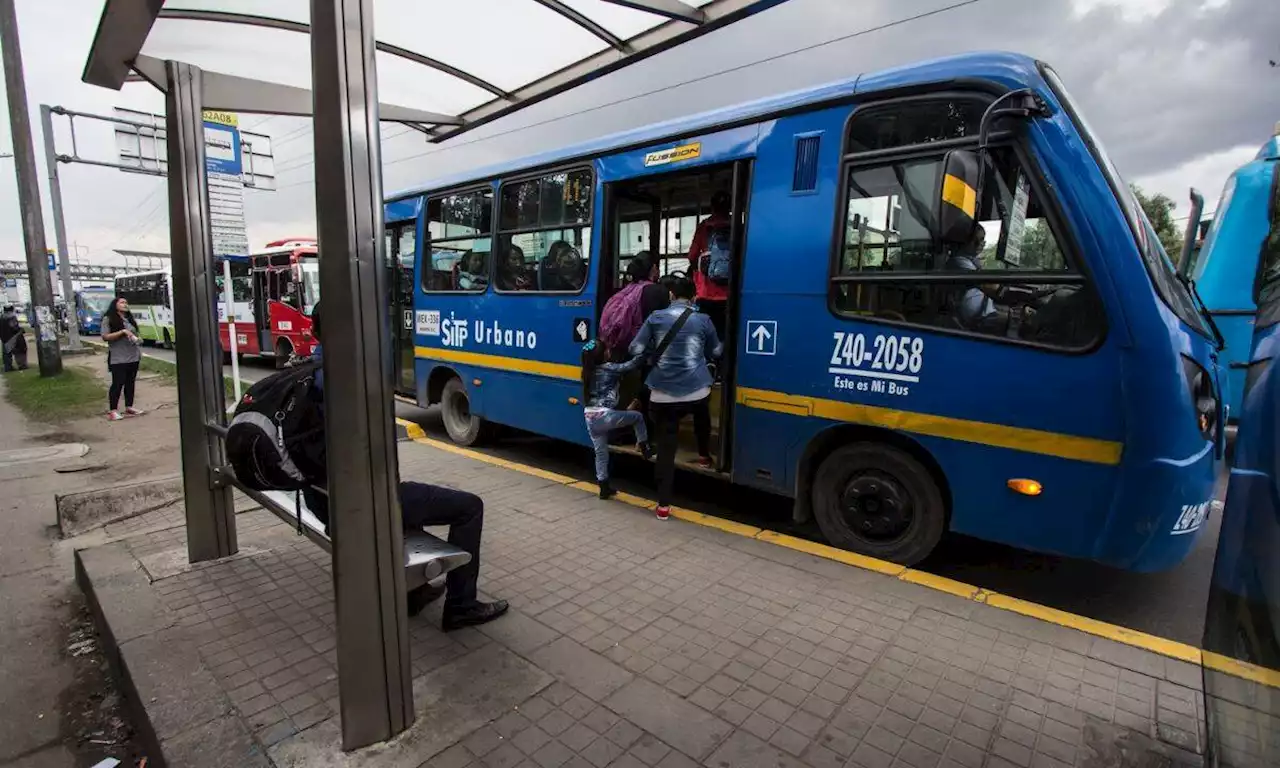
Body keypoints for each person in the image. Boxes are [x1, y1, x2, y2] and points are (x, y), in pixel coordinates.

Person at [304, 303, 508, 630]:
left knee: (414, 505)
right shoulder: (346, 378)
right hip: (358, 505)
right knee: (469, 507)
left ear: (313, 332)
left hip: (320, 501)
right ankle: (461, 606)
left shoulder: (307, 369)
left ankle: (414, 594)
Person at [629, 277, 722, 520]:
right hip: (696, 390)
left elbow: (635, 349)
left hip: (662, 393)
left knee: (667, 449)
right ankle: (703, 455)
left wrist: (653, 352)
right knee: (702, 407)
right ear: (693, 298)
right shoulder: (704, 320)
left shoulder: (655, 318)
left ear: (671, 296)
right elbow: (716, 351)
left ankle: (663, 506)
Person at [580, 340, 653, 499]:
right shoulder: (610, 368)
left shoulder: (587, 371)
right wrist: (646, 352)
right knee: (638, 417)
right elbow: (630, 365)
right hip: (604, 416)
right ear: (604, 354)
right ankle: (644, 447)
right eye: (607, 350)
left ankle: (604, 488)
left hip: (590, 417)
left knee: (601, 453)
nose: (609, 351)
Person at [945, 224, 1008, 332]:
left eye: (982, 239)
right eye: (974, 240)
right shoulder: (958, 261)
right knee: (1017, 323)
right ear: (963, 242)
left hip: (985, 313)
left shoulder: (972, 261)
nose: (979, 244)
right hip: (978, 320)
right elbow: (987, 285)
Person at [688, 191, 732, 340]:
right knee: (725, 336)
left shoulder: (704, 227)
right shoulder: (737, 226)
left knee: (704, 337)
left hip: (705, 293)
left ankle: (709, 362)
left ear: (712, 207)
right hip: (730, 295)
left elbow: (692, 256)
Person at [101, 297, 144, 421]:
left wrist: (138, 339)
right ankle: (113, 410)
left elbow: (135, 334)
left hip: (133, 356)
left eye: (126, 302)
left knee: (130, 383)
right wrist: (122, 332)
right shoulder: (108, 319)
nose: (125, 304)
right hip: (118, 358)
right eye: (122, 302)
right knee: (118, 383)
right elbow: (105, 336)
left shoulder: (129, 319)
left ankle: (129, 406)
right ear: (115, 305)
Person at [1, 305, 27, 373]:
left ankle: (8, 367)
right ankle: (22, 365)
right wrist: (21, 330)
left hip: (4, 338)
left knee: (6, 354)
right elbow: (14, 327)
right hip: (13, 338)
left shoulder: (1, 317)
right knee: (19, 351)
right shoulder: (12, 317)